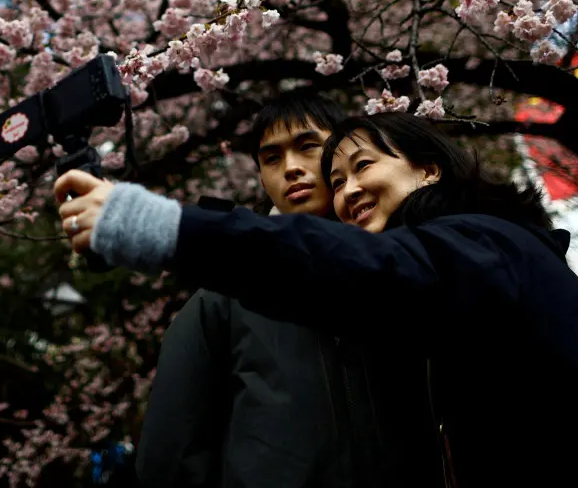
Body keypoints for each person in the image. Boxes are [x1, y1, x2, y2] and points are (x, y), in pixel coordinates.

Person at [56, 112, 578, 488]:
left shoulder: (480, 246)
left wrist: (166, 226)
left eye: (361, 166)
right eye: (339, 181)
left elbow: (376, 271)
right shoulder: (466, 264)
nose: (345, 190)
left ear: (428, 168)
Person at [133, 95, 438, 488]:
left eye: (308, 147)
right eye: (272, 158)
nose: (292, 168)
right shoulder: (224, 299)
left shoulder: (407, 272)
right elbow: (170, 454)